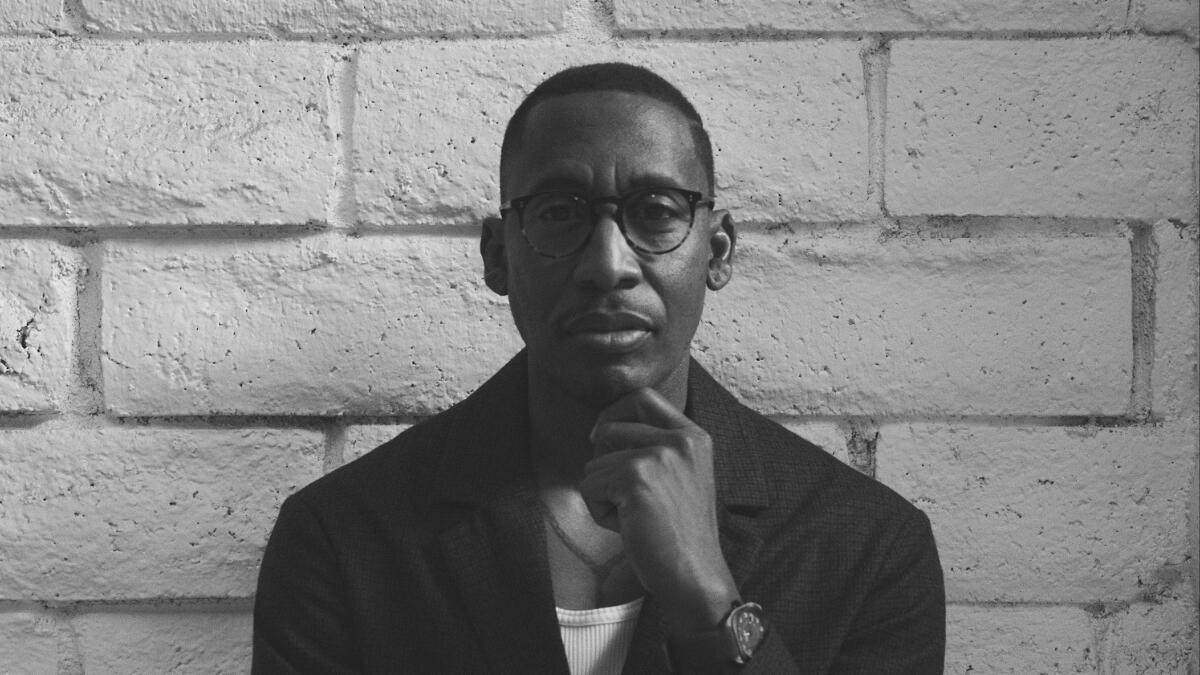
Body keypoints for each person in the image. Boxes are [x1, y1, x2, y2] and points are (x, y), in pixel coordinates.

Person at [253, 62, 945, 674]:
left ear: (718, 252)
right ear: (498, 255)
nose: (608, 265)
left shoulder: (869, 547)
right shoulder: (343, 537)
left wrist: (709, 600)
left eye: (657, 212)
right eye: (559, 212)